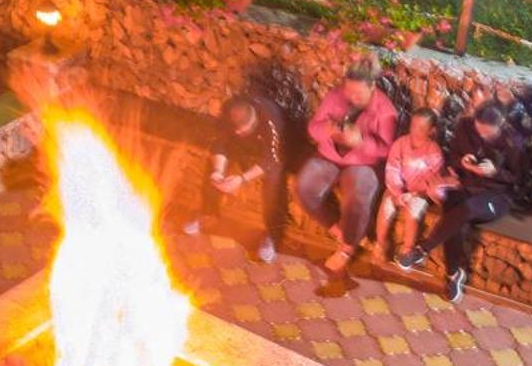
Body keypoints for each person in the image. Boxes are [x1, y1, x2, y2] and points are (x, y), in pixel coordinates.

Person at [396, 101, 529, 303]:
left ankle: (422, 249)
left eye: (488, 134)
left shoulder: (513, 141)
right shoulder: (465, 127)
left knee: (467, 208)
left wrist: (495, 172)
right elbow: (452, 157)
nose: (482, 136)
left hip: (496, 196)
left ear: (501, 125)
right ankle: (453, 275)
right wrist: (463, 162)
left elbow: (517, 179)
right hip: (466, 186)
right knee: (453, 210)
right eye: (480, 131)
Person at [294, 60, 398, 275]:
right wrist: (327, 129)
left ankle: (347, 247)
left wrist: (361, 141)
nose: (352, 96)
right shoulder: (335, 96)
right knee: (304, 187)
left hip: (363, 162)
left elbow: (387, 151)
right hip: (329, 155)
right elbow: (313, 127)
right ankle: (339, 232)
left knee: (357, 195)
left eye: (358, 92)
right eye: (348, 90)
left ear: (372, 87)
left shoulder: (386, 111)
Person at [183, 91, 287, 263]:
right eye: (235, 129)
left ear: (253, 120)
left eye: (242, 128)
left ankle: (272, 235)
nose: (238, 131)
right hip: (242, 149)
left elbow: (272, 159)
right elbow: (220, 143)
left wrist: (242, 179)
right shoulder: (229, 111)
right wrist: (218, 171)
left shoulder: (270, 119)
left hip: (269, 152)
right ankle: (209, 214)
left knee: (274, 178)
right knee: (213, 170)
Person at [375, 107, 455, 264]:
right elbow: (392, 169)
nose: (415, 131)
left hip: (420, 193)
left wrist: (413, 194)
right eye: (413, 126)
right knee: (386, 205)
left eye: (421, 128)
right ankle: (381, 242)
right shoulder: (400, 144)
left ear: (431, 130)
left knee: (414, 210)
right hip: (398, 189)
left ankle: (408, 249)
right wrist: (397, 192)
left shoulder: (434, 152)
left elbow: (433, 180)